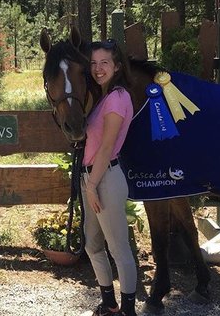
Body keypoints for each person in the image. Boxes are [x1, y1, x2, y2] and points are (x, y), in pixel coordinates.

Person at [82, 39, 137, 316]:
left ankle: (128, 310)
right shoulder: (103, 97)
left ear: (116, 66)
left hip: (105, 179)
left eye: (104, 62)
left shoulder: (117, 98)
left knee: (119, 249)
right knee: (92, 244)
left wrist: (92, 185)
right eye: (93, 63)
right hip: (91, 178)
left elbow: (106, 146)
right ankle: (109, 304)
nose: (98, 68)